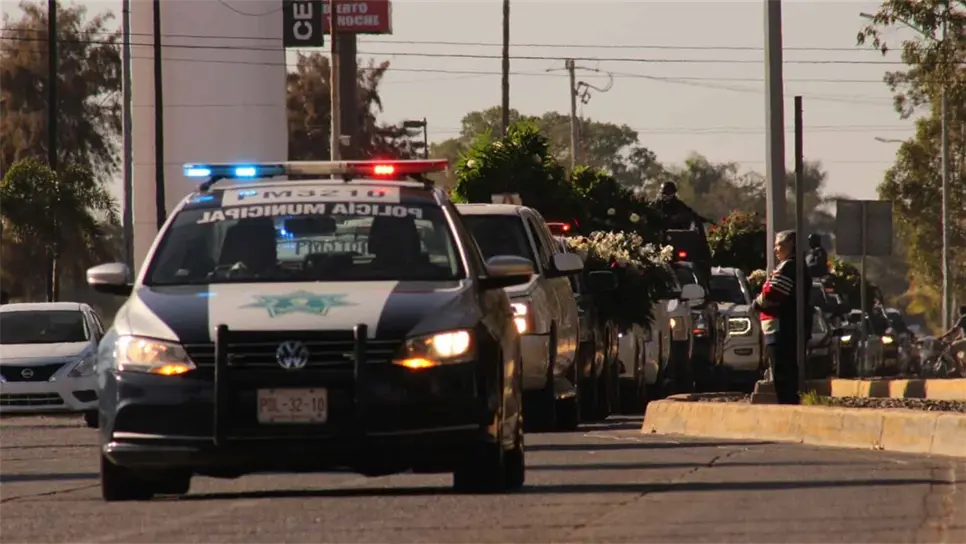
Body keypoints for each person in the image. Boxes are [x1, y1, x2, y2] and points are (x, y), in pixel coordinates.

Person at [752, 230, 812, 404]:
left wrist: (757, 302)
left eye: (780, 245)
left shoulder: (790, 267)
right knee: (783, 369)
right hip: (781, 326)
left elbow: (772, 293)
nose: (776, 249)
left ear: (791, 245)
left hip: (783, 326)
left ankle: (788, 404)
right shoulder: (792, 266)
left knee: (783, 369)